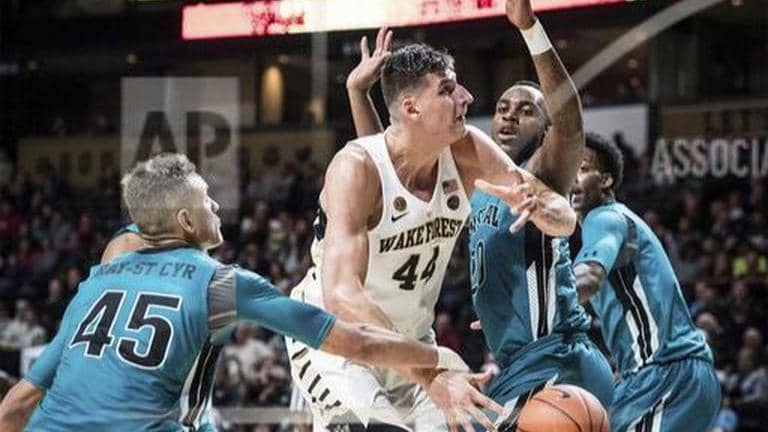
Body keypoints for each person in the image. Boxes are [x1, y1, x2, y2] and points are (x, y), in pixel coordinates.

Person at [0, 153, 478, 432]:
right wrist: (438, 360)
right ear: (186, 222)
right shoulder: (220, 283)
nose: (215, 205)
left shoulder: (94, 285)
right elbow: (355, 341)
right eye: (206, 199)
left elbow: (17, 404)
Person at [290, 5, 578, 432]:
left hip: (413, 340)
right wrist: (429, 374)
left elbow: (565, 217)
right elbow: (342, 297)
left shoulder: (467, 150)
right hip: (338, 340)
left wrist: (542, 209)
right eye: (447, 89)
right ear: (411, 108)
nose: (466, 97)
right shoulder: (354, 168)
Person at [571, 133, 720, 432]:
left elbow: (588, 278)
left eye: (583, 168)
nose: (573, 178)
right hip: (674, 375)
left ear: (606, 181)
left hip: (665, 374)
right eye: (569, 169)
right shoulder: (617, 225)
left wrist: (536, 303)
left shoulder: (605, 218)